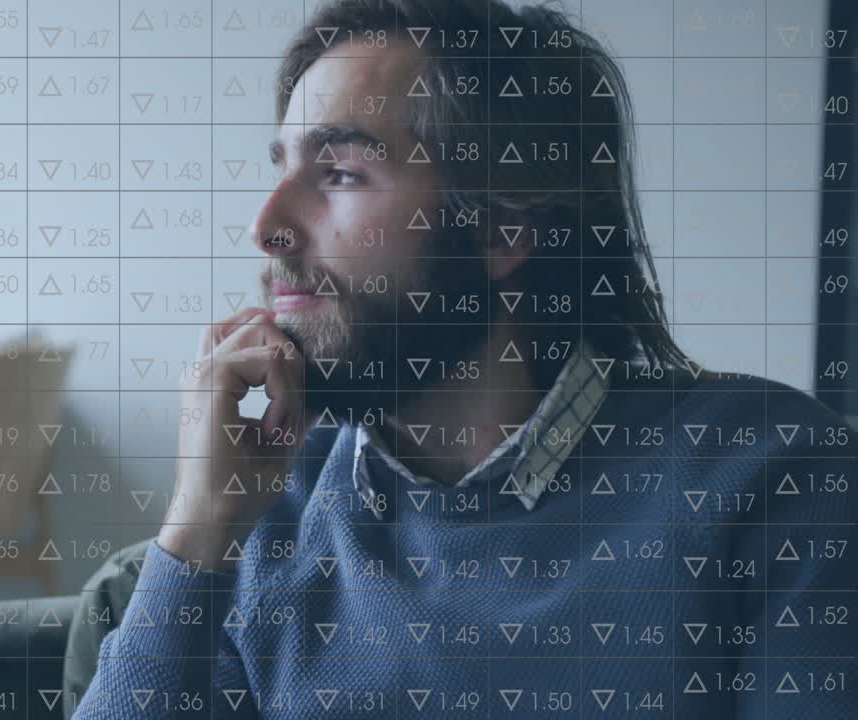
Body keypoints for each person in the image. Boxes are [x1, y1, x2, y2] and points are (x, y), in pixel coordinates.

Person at [65, 0, 857, 717]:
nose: (266, 226)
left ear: (502, 229)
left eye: (339, 172)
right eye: (282, 168)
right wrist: (196, 529)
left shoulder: (778, 480)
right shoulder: (255, 511)